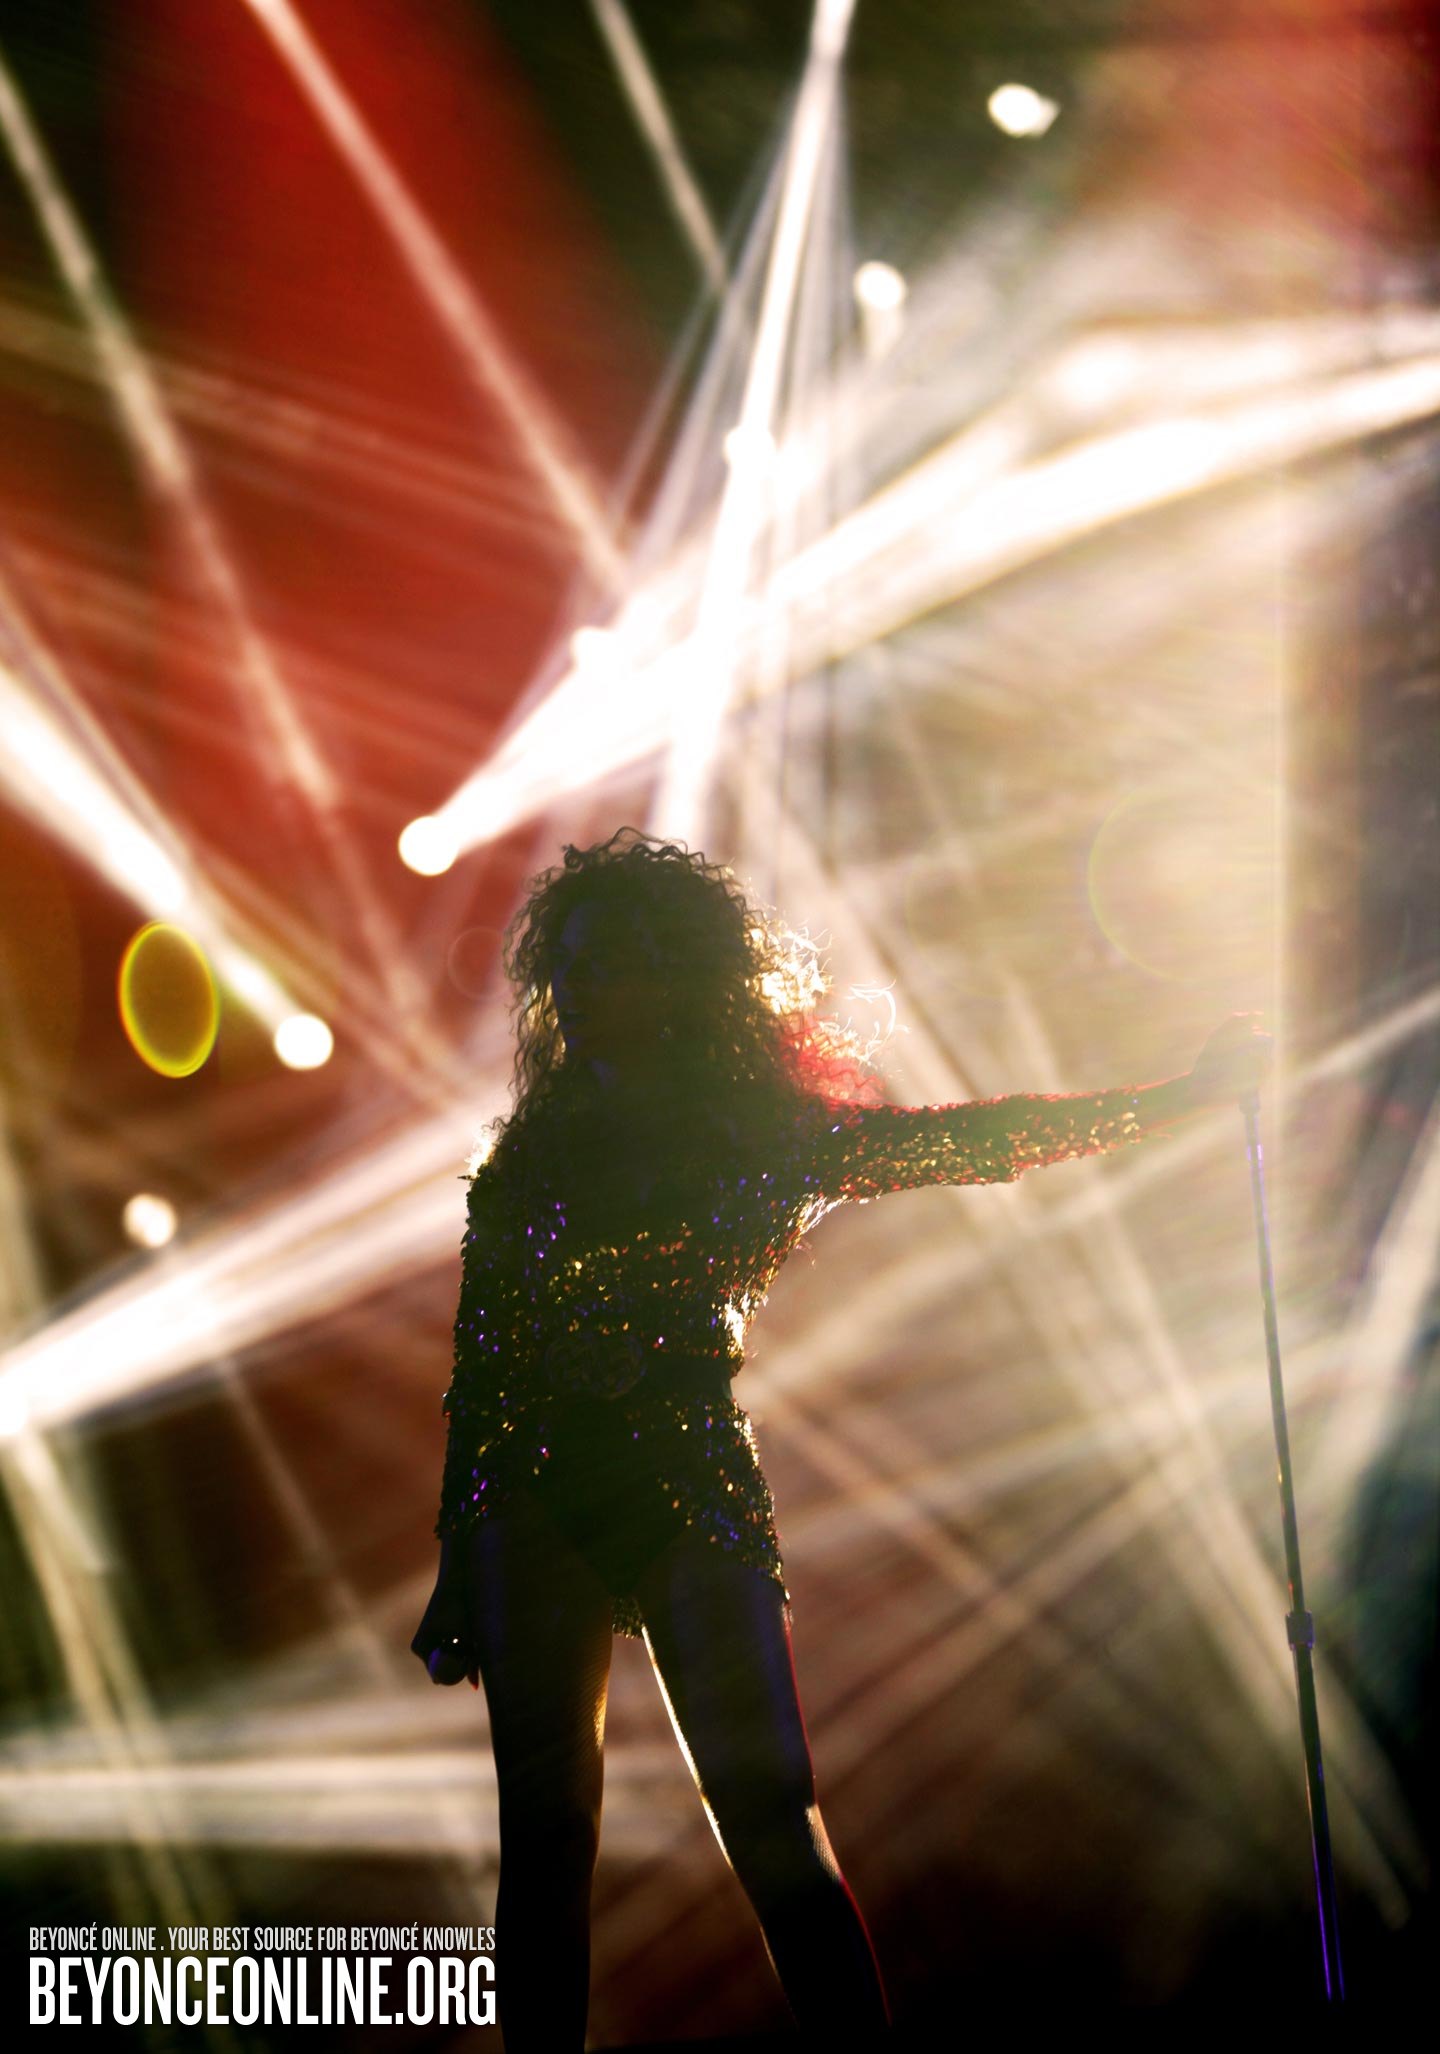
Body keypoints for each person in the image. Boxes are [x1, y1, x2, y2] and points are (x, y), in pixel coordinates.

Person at [411, 827, 1271, 2048]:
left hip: (686, 1474)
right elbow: (482, 1361)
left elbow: (968, 1138)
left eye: (619, 961)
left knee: (771, 1815)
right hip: (528, 1497)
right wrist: (459, 1555)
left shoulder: (758, 1133)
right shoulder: (525, 1152)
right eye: (574, 965)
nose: (589, 987)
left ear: (679, 975)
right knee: (546, 1838)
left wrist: (1170, 1101)